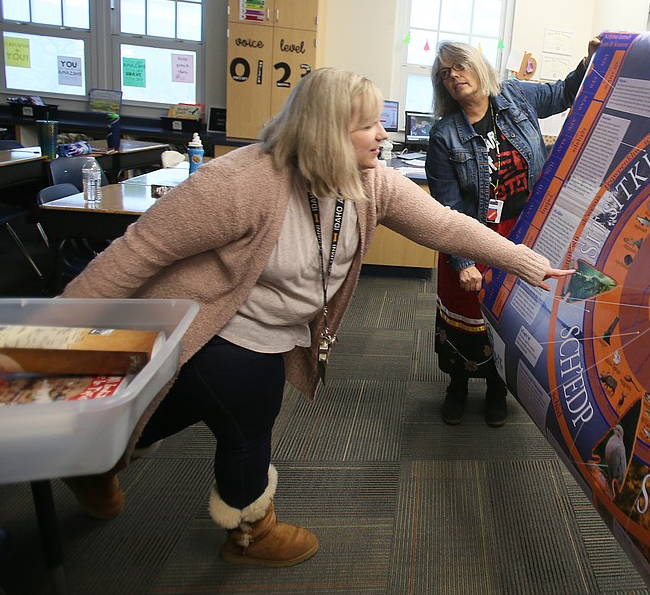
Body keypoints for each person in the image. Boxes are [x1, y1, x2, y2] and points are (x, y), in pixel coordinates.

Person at [58, 68, 573, 567]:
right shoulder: (240, 182)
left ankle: (97, 456)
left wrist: (524, 261)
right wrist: (52, 335)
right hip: (214, 320)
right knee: (245, 404)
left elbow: (446, 226)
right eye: (368, 125)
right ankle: (250, 531)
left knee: (189, 403)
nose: (383, 134)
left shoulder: (371, 182)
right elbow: (135, 255)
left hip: (276, 329)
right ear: (326, 133)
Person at [425, 36, 599, 428]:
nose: (454, 76)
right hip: (468, 236)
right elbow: (447, 208)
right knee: (464, 314)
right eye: (445, 73)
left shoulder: (516, 96)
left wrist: (591, 59)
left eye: (460, 66)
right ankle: (457, 383)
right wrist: (463, 261)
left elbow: (565, 93)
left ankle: (498, 388)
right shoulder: (444, 135)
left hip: (521, 232)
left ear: (477, 65)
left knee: (508, 314)